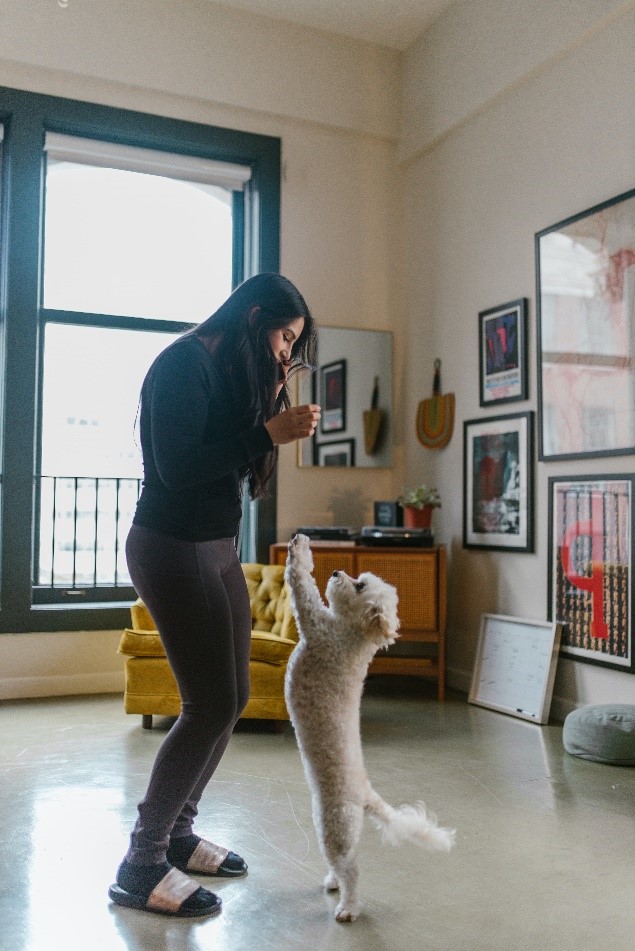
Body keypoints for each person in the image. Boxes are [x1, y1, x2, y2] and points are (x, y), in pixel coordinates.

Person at [108, 273, 320, 917]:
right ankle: (142, 863)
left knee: (231, 698)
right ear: (255, 316)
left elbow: (243, 481)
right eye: (285, 337)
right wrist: (265, 432)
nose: (287, 352)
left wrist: (264, 416)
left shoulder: (233, 375)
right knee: (208, 703)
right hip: (171, 545)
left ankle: (176, 833)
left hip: (214, 545)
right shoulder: (183, 364)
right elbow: (175, 468)